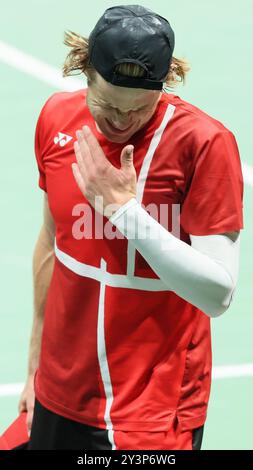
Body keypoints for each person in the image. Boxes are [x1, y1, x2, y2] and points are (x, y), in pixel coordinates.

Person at [19, 4, 243, 450]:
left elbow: (218, 293)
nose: (120, 123)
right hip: (58, 395)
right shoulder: (56, 119)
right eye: (106, 105)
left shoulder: (204, 144)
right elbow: (52, 244)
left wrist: (124, 212)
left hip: (153, 412)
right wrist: (33, 370)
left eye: (137, 110)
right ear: (84, 72)